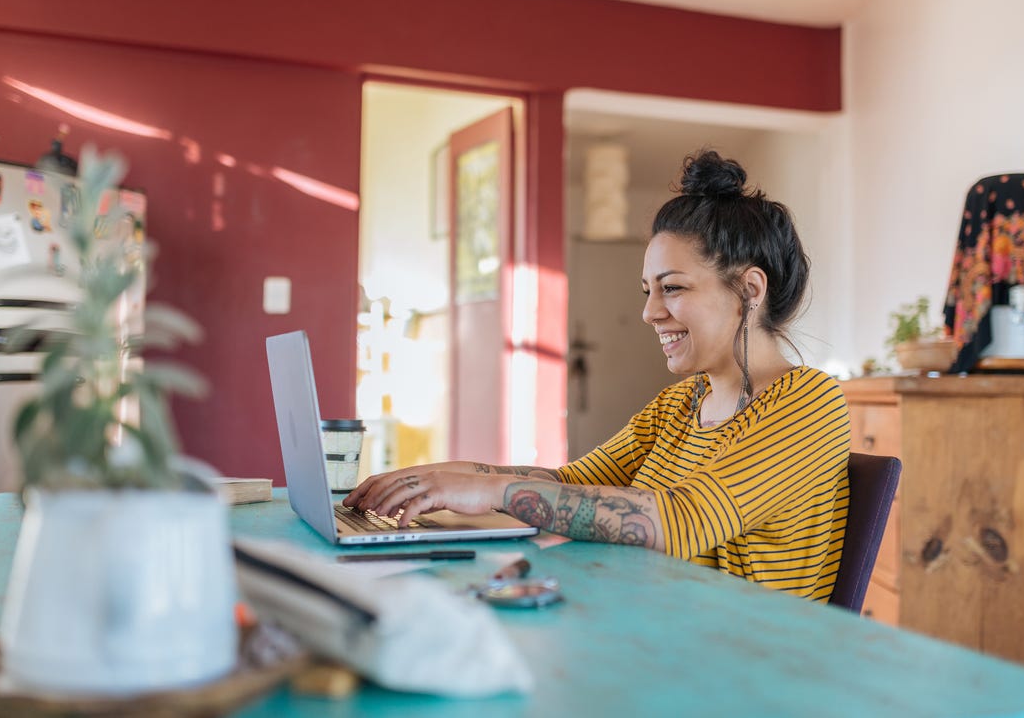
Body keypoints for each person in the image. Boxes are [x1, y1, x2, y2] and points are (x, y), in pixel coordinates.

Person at [346, 150, 850, 602]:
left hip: (744, 669)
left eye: (671, 288)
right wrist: (437, 479)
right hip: (660, 632)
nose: (650, 312)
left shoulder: (809, 402)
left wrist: (491, 493)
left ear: (749, 288)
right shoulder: (678, 406)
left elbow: (684, 522)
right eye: (647, 291)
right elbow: (568, 484)